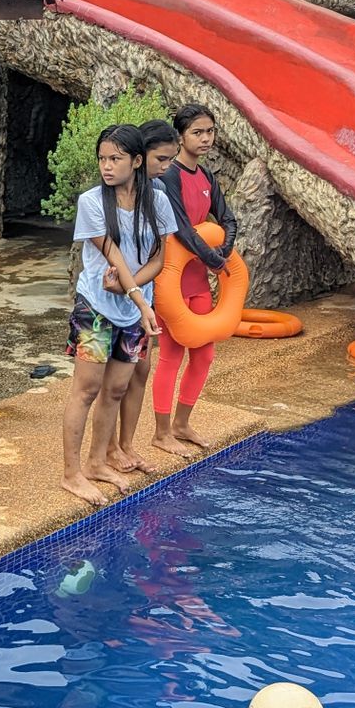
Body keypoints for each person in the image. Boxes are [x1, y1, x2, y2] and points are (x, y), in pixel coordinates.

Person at [62, 124, 175, 506]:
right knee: (87, 389)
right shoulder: (92, 201)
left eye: (115, 158)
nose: (106, 166)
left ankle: (98, 461)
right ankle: (72, 473)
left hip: (130, 309)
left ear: (136, 161)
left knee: (116, 388)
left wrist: (133, 292)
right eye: (102, 159)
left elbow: (159, 259)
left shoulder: (156, 200)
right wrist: (141, 301)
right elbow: (113, 255)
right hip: (95, 306)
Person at [151, 105, 239, 457]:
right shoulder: (169, 175)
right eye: (197, 133)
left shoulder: (206, 177)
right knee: (171, 355)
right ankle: (160, 432)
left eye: (210, 132)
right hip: (172, 279)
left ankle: (182, 423)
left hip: (199, 280)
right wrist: (215, 259)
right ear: (180, 137)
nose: (205, 139)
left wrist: (225, 251)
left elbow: (227, 219)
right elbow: (181, 229)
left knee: (203, 357)